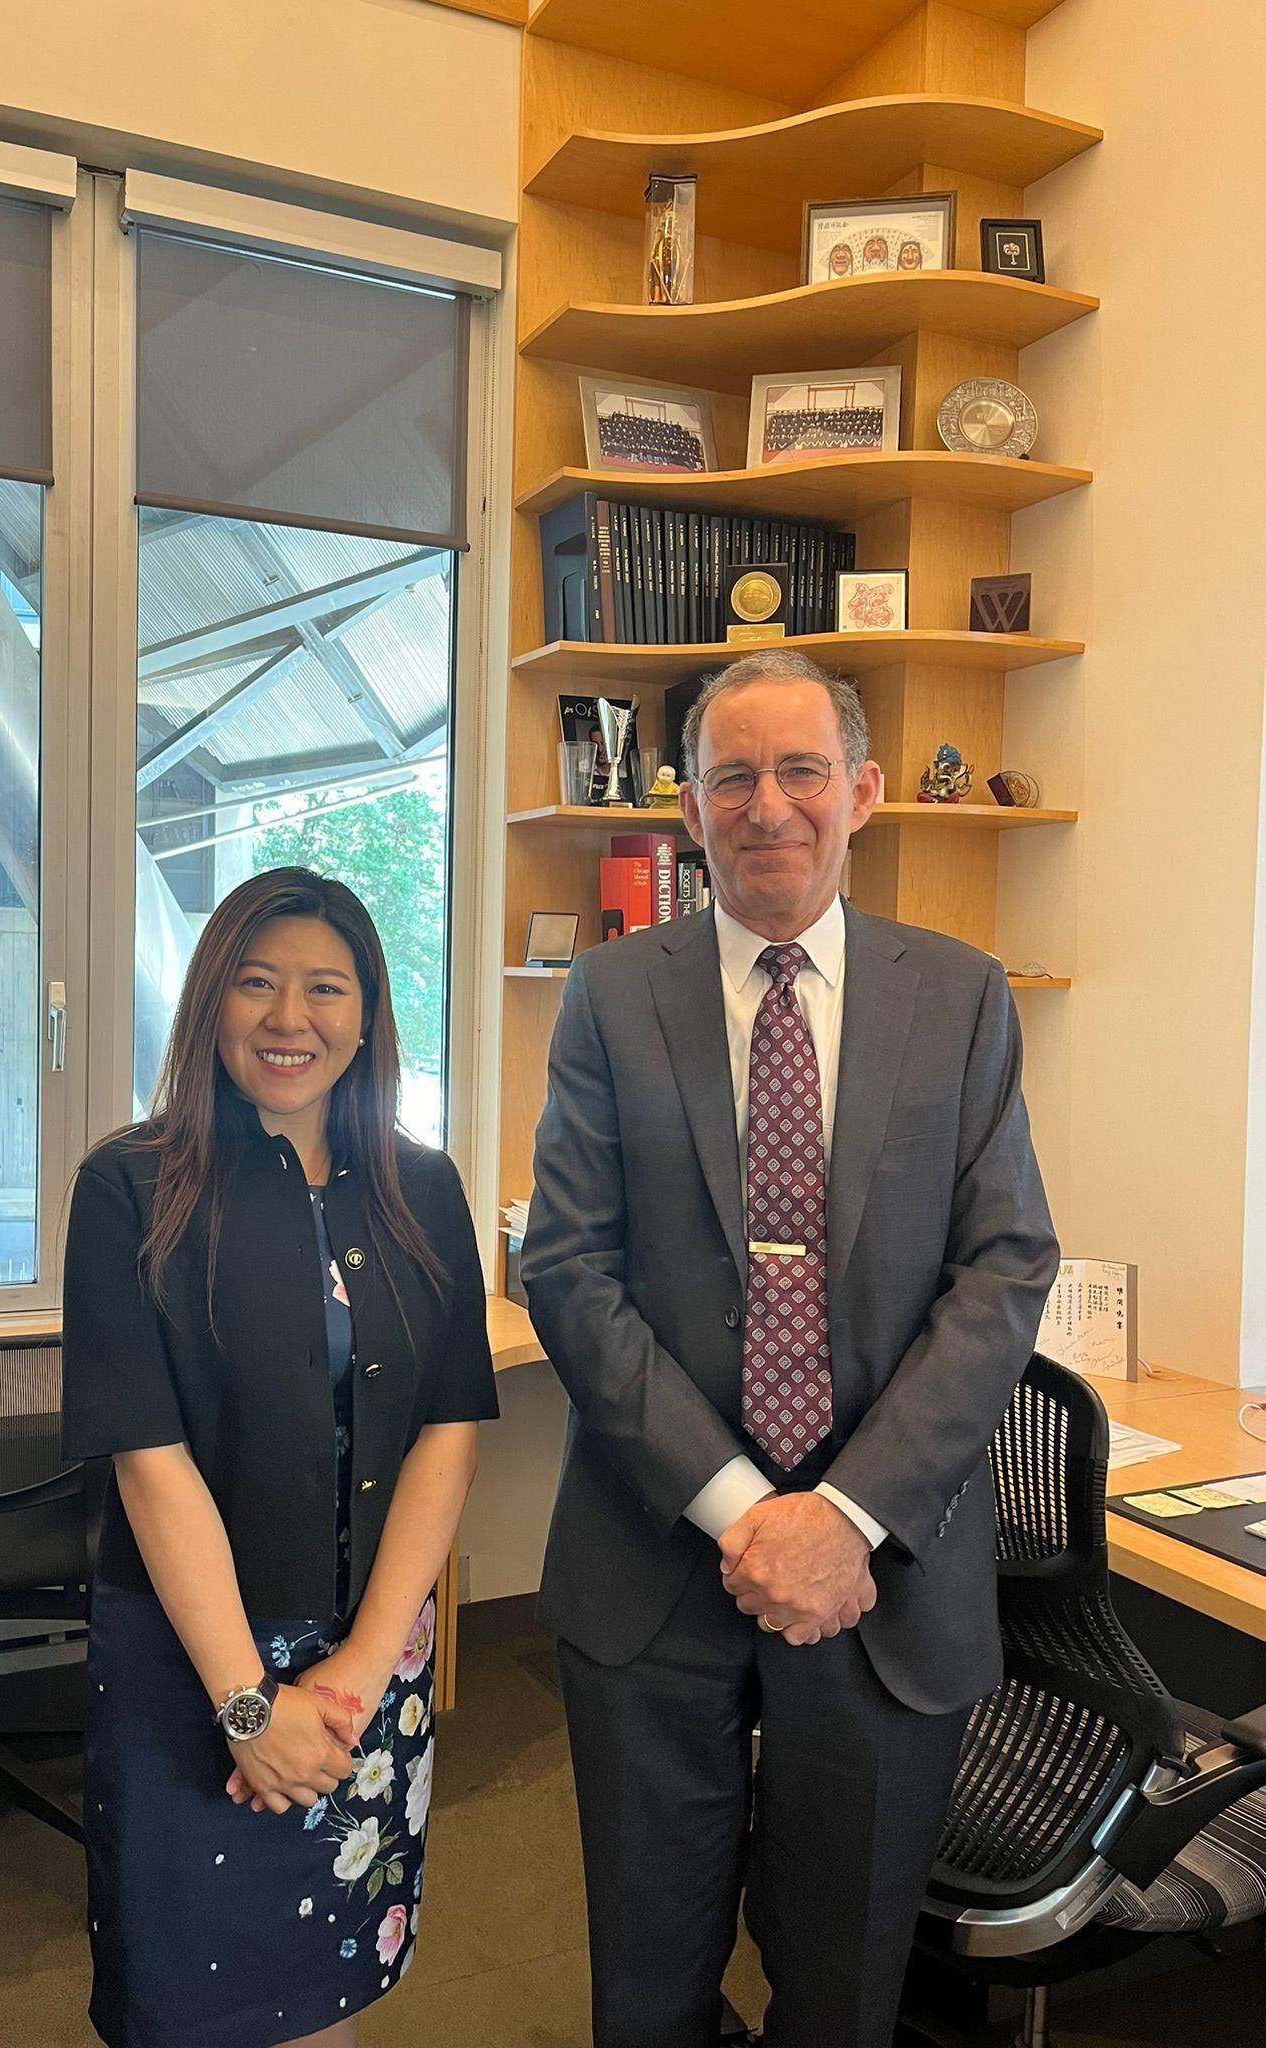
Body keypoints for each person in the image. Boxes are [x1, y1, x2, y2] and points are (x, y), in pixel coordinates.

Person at [523, 650, 1058, 2048]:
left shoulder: (958, 996)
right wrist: (748, 1512)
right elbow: (567, 1270)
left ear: (864, 791)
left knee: (845, 1990)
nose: (769, 806)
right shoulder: (611, 996)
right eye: (732, 777)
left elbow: (1004, 1266)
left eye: (801, 769)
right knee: (647, 1987)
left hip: (882, 1577)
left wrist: (844, 1516)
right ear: (688, 808)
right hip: (652, 1557)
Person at [62, 867, 498, 2048]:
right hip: (195, 1660)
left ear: (366, 1013)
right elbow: (152, 1466)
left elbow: (447, 1428)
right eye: (255, 983)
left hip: (369, 1660)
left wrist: (355, 1669)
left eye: (324, 987)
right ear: (209, 1002)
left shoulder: (424, 1184)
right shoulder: (130, 1186)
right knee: (199, 1987)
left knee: (326, 1978)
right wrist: (250, 1704)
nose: (288, 1017)